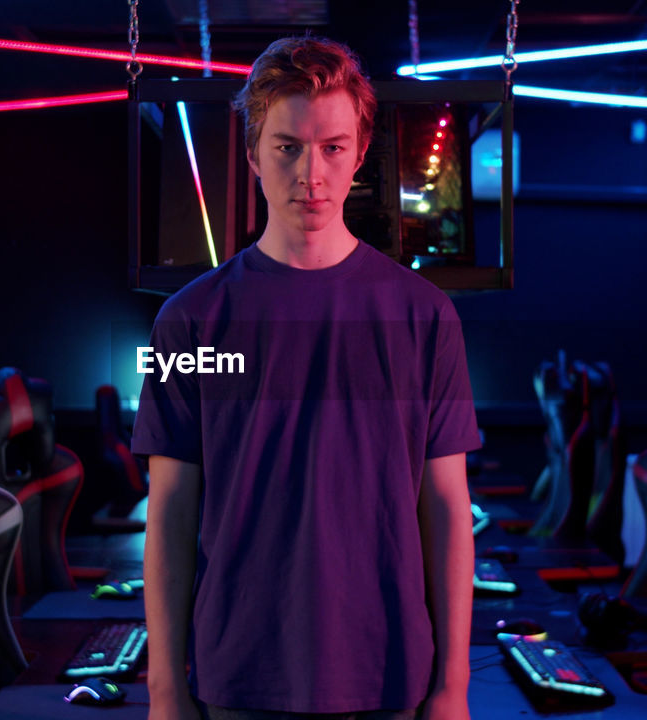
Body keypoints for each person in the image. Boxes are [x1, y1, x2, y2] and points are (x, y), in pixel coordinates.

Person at [132, 35, 480, 720]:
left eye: (332, 148)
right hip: (238, 675)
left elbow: (445, 508)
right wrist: (164, 689)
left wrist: (454, 684)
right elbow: (170, 512)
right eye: (288, 146)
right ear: (254, 152)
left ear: (358, 154)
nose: (310, 174)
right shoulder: (188, 321)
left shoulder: (426, 316)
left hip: (389, 673)